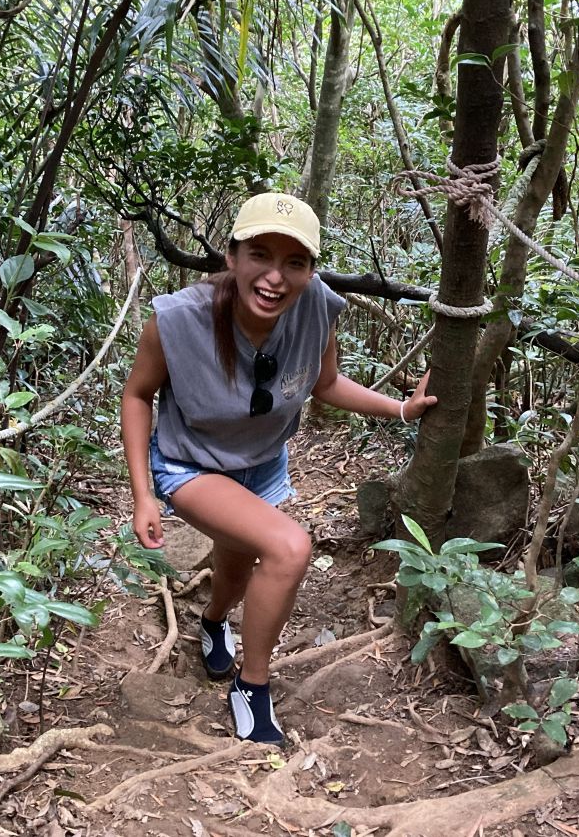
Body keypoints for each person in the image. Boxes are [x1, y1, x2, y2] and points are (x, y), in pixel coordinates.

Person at [120, 192, 436, 744]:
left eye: (295, 262)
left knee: (237, 570)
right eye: (260, 255)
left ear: (311, 270)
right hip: (188, 464)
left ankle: (213, 621)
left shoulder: (316, 306)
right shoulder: (177, 320)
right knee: (288, 548)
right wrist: (143, 494)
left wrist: (401, 409)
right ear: (232, 257)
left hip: (260, 463)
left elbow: (325, 383)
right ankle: (251, 686)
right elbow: (137, 395)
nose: (275, 277)